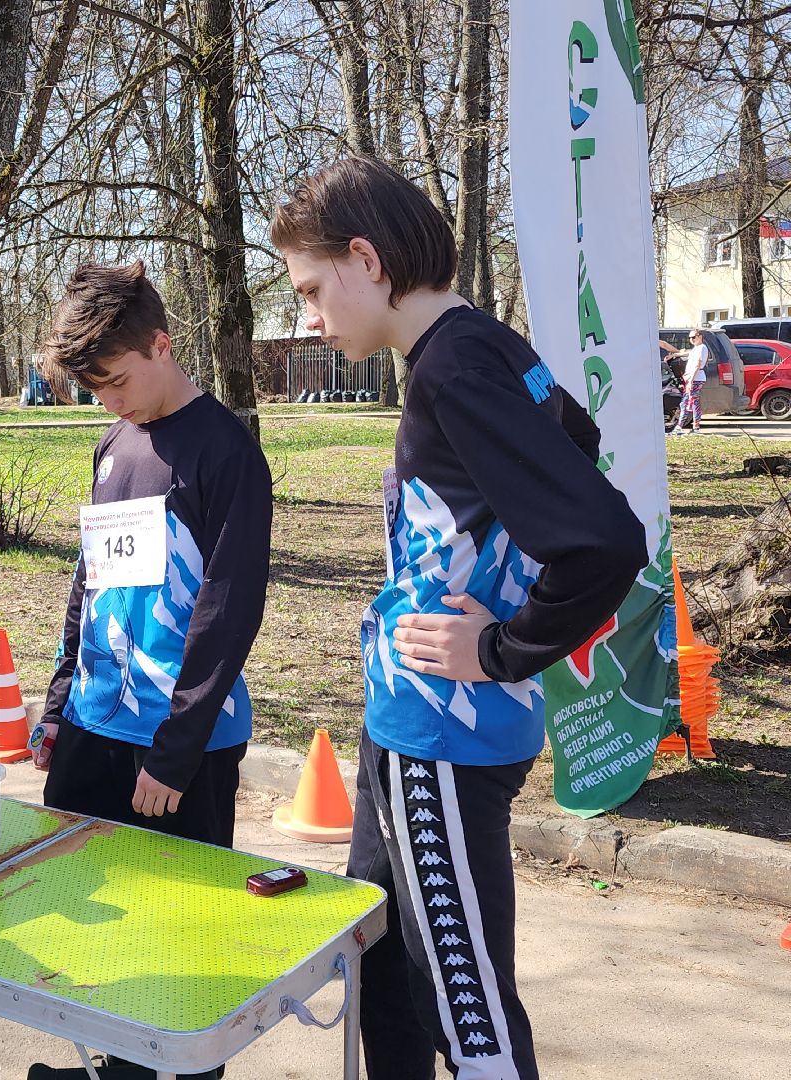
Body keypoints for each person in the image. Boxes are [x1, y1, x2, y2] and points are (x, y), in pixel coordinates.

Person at [271, 155, 647, 1080]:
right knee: (383, 966)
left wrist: (503, 645)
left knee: (469, 1014)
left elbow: (605, 538)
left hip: (443, 734)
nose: (308, 316)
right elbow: (577, 441)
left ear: (367, 260)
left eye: (312, 289)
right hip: (407, 727)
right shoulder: (480, 345)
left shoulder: (453, 368)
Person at [34, 261, 273, 848]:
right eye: (95, 390)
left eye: (117, 381)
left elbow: (229, 613)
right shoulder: (112, 444)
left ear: (161, 346)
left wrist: (177, 750)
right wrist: (58, 704)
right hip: (91, 722)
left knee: (180, 903)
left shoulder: (227, 453)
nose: (110, 402)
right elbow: (89, 580)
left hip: (180, 744)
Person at [670, 327, 709, 435]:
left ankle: (684, 427)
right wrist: (674, 355)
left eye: (693, 337)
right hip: (693, 378)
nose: (691, 339)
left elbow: (697, 364)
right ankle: (692, 427)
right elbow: (688, 353)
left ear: (700, 336)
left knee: (687, 402)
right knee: (690, 402)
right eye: (690, 337)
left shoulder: (702, 348)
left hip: (696, 379)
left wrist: (691, 380)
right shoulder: (697, 348)